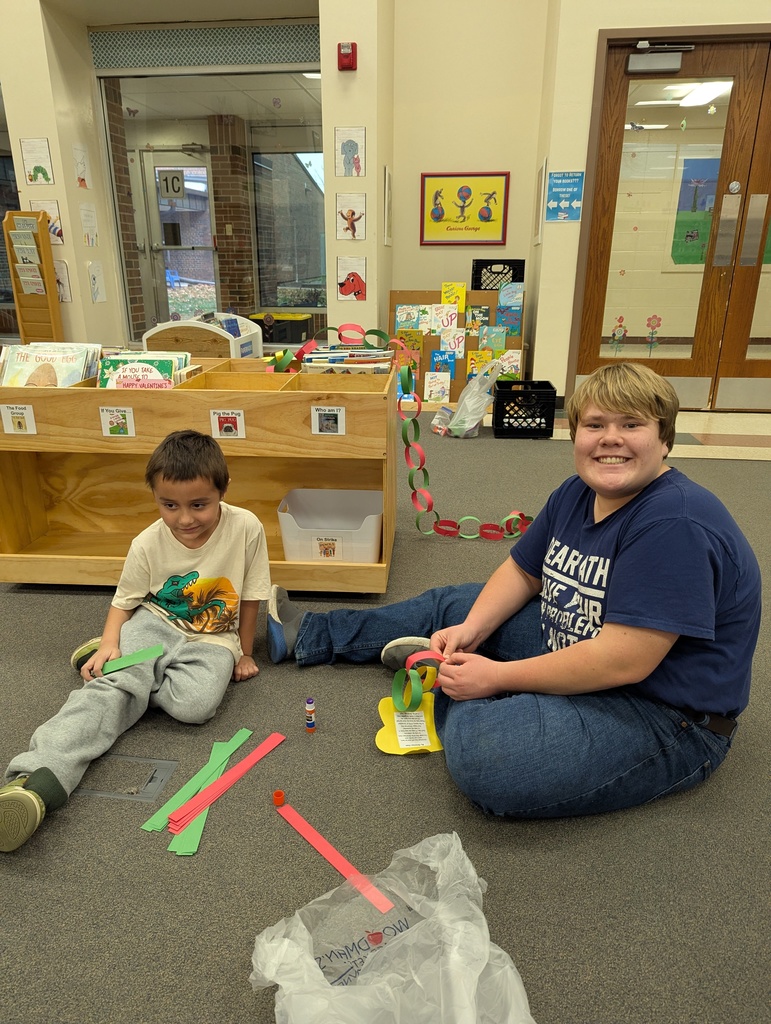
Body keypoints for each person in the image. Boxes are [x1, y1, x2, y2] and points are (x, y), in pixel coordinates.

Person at [264, 362, 761, 818]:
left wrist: (496, 678)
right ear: (576, 435)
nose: (612, 440)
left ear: (665, 439)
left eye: (632, 425)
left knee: (490, 757)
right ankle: (310, 633)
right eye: (595, 425)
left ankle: (462, 687)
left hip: (663, 714)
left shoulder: (675, 523)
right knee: (455, 607)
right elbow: (523, 572)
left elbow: (623, 660)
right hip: (576, 639)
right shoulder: (577, 492)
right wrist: (470, 631)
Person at [0, 430, 271, 852]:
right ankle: (36, 780)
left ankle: (126, 668)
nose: (185, 519)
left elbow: (253, 595)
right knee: (114, 690)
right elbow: (124, 601)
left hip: (215, 639)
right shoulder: (146, 542)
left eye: (199, 504)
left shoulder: (247, 527)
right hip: (154, 623)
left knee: (196, 708)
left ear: (223, 489)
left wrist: (247, 652)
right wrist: (113, 641)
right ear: (156, 497)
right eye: (169, 505)